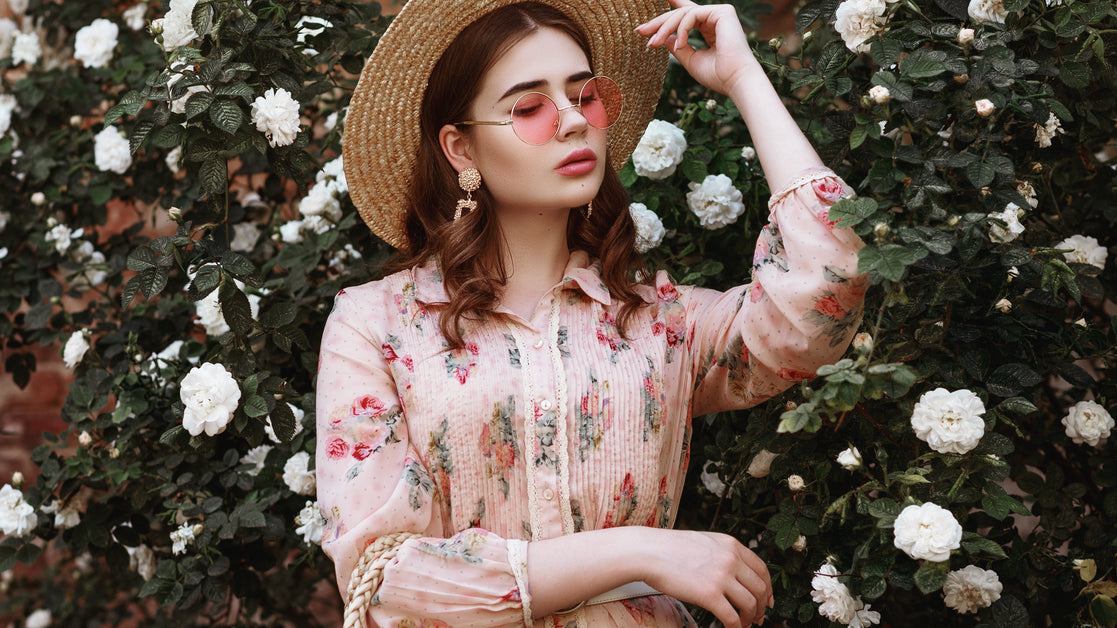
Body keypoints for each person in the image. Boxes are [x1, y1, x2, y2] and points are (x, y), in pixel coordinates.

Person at [318, 0, 868, 626]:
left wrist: (745, 77)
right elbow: (386, 580)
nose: (574, 121)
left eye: (585, 95)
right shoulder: (376, 325)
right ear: (460, 147)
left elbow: (827, 290)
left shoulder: (660, 320)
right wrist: (640, 550)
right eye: (529, 108)